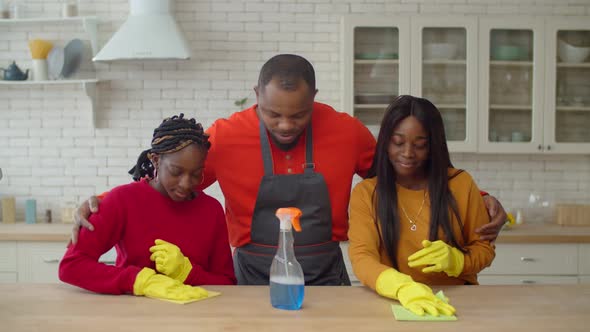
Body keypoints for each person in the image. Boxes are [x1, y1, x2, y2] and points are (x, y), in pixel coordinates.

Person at [71, 54, 507, 286]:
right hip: (250, 272)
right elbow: (167, 186)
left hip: (325, 270)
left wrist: (477, 197)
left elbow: (404, 168)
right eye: (271, 114)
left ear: (314, 98)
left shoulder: (345, 131)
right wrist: (104, 204)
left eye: (297, 116)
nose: (284, 125)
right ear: (255, 95)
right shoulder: (224, 135)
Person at [59, 114, 236, 302]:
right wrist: (141, 281)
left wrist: (187, 272)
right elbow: (71, 265)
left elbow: (226, 282)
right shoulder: (123, 200)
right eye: (176, 172)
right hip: (135, 315)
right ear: (155, 160)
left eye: (196, 174)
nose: (186, 183)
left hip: (195, 318)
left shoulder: (211, 210)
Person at [348, 95, 495, 316]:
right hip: (394, 302)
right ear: (385, 142)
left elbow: (484, 250)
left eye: (420, 145)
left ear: (433, 146)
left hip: (457, 303)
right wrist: (402, 287)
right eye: (398, 143)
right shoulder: (367, 193)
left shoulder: (460, 184)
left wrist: (458, 260)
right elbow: (362, 258)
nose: (407, 153)